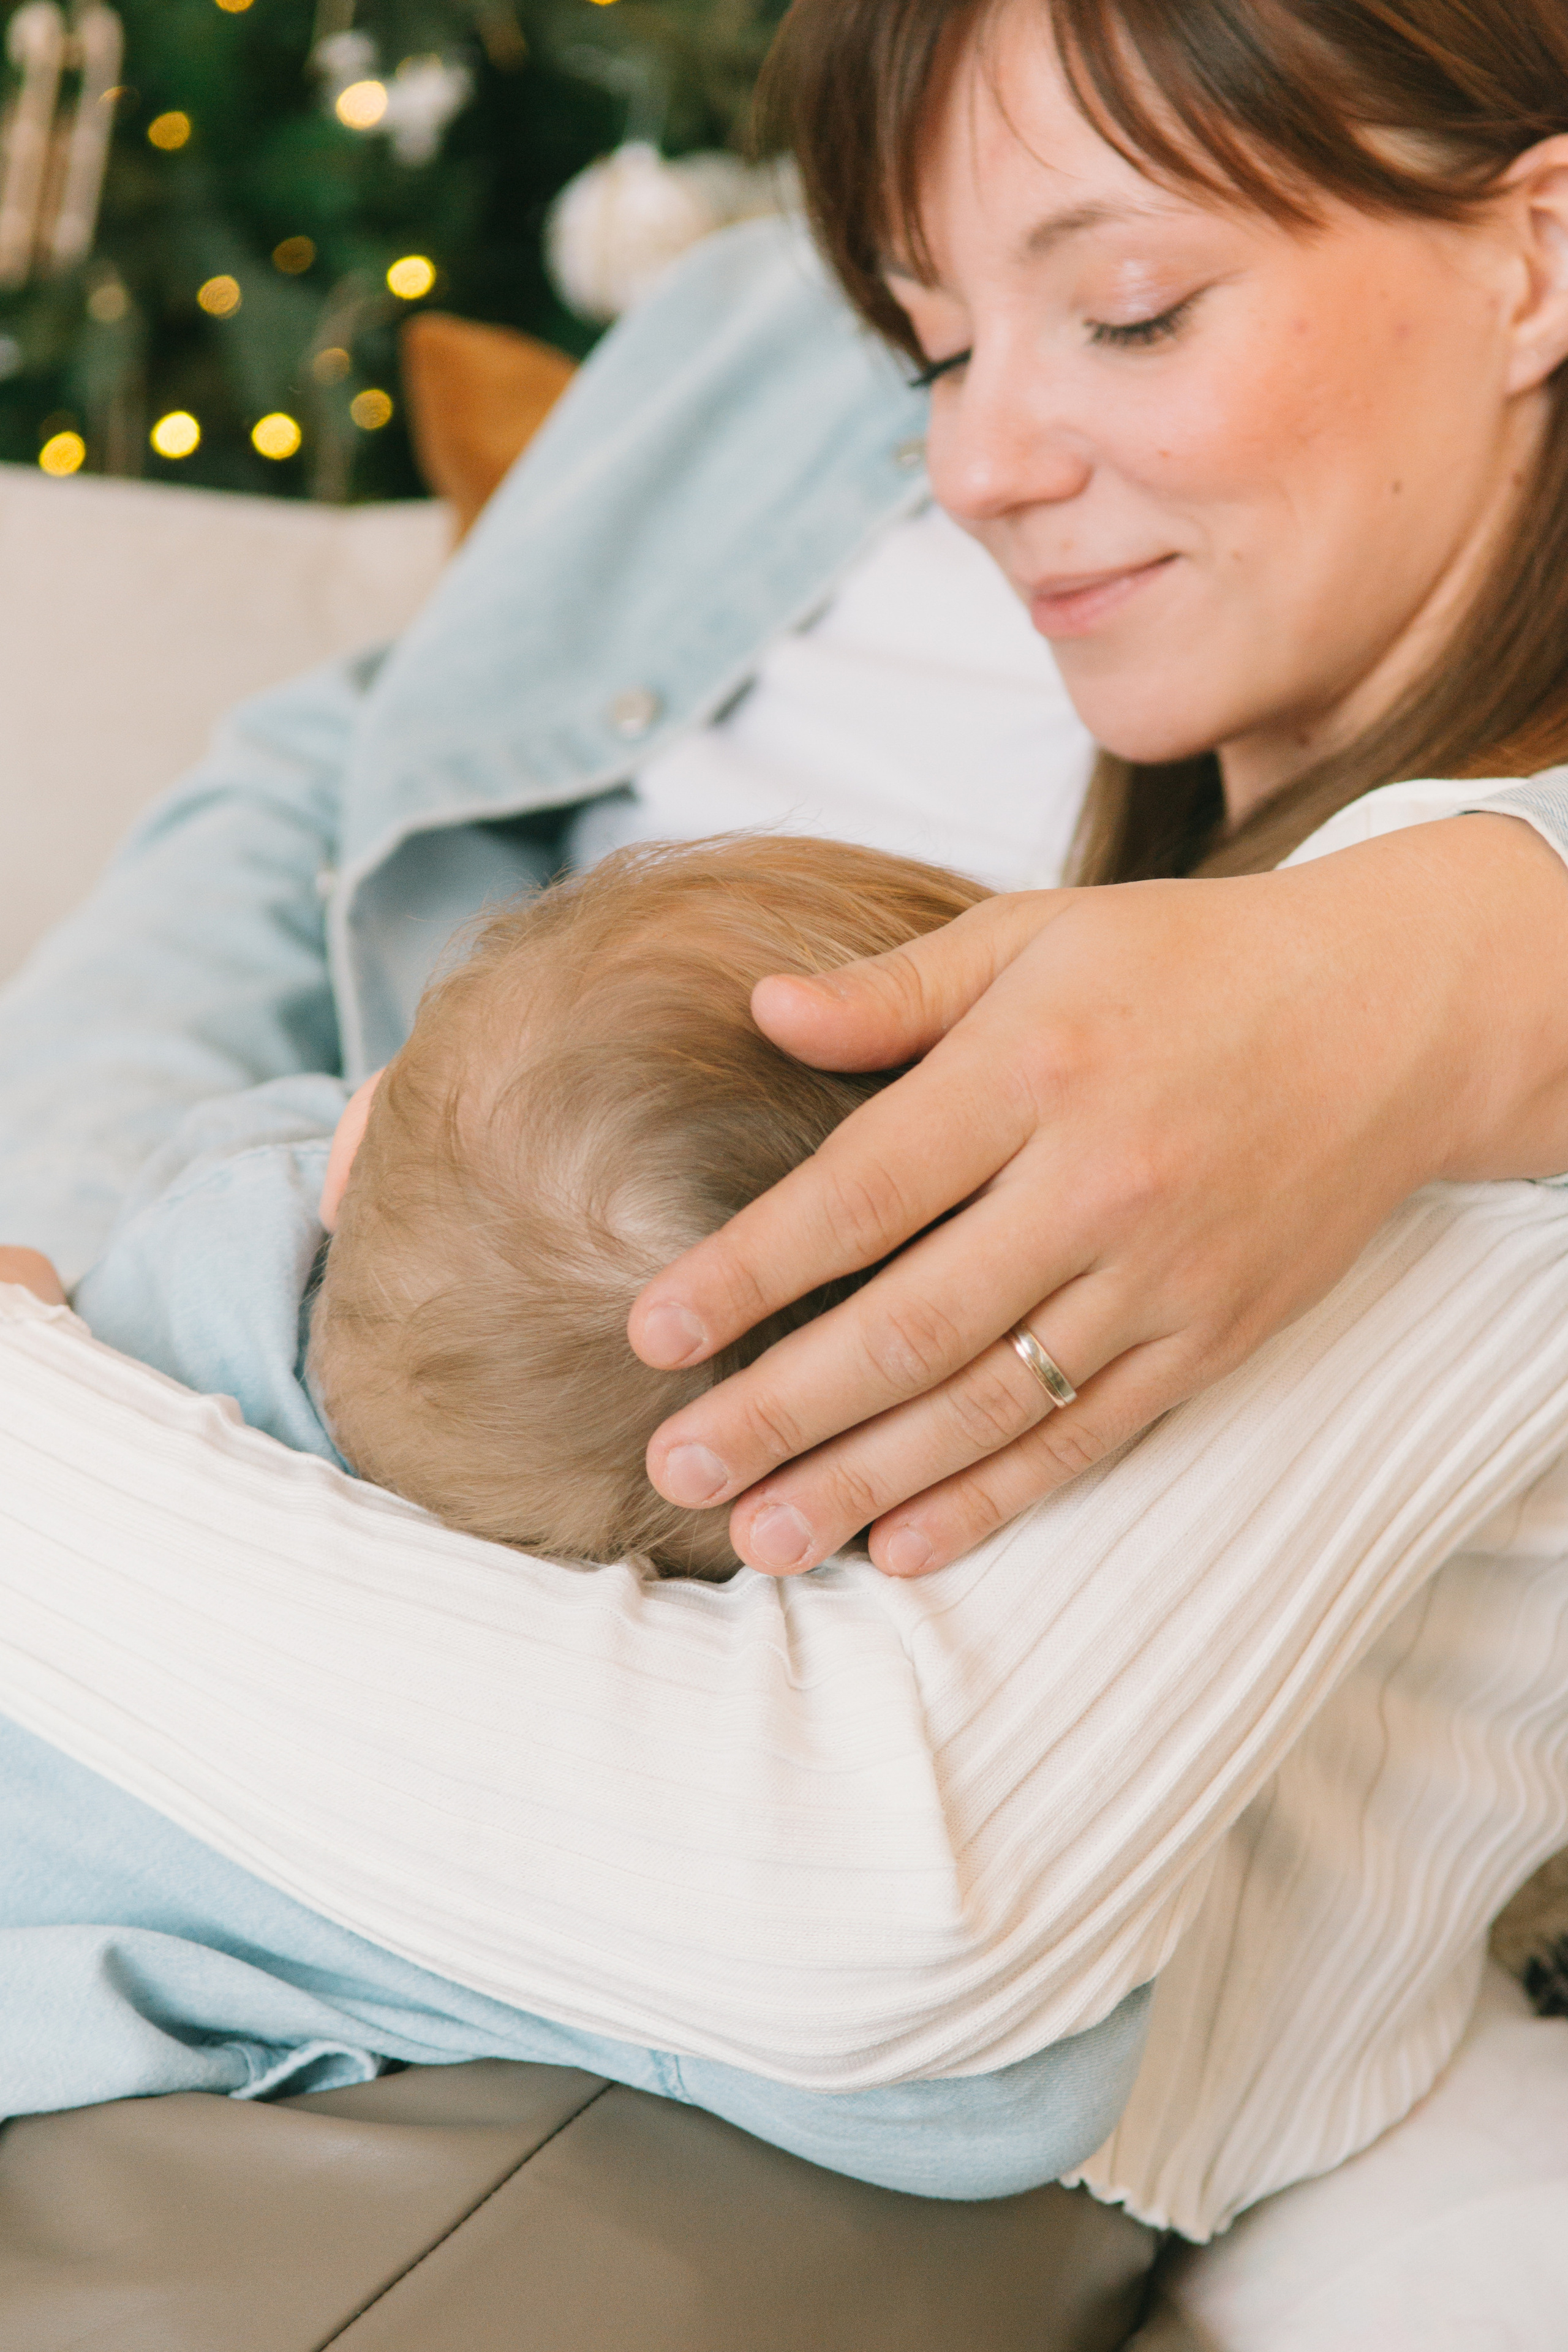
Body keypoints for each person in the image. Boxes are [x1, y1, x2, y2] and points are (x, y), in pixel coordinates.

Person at [1, 0, 1567, 2260]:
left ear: (1534, 259)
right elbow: (323, 772)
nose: (976, 463)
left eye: (1135, 309)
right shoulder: (1228, 899)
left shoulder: (1406, 1014)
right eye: (932, 351)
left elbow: (901, 1911)